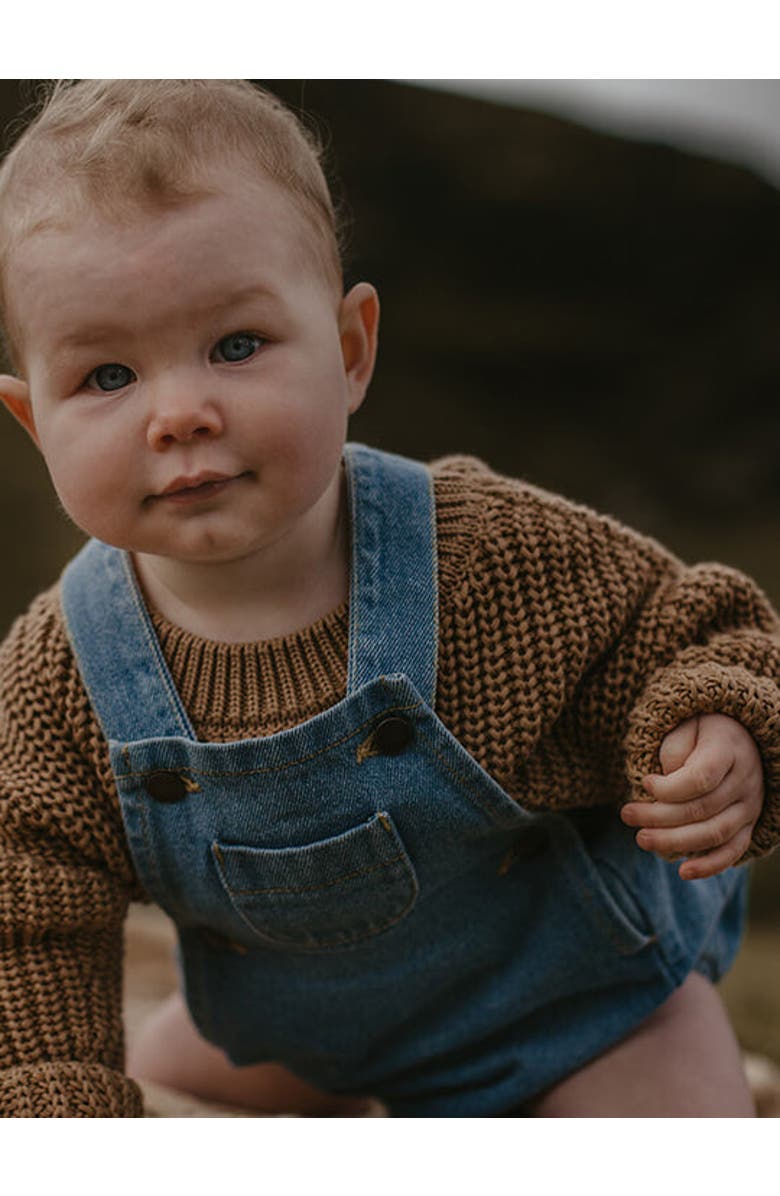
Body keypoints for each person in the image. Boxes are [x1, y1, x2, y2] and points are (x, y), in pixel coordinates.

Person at [0, 79, 777, 1119]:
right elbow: (30, 914)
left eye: (236, 345)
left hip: (588, 1013)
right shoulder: (58, 678)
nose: (180, 413)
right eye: (106, 376)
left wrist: (715, 719)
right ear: (35, 423)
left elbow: (684, 629)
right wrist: (55, 1106)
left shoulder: (476, 554)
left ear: (350, 350)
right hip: (302, 1038)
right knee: (158, 1068)